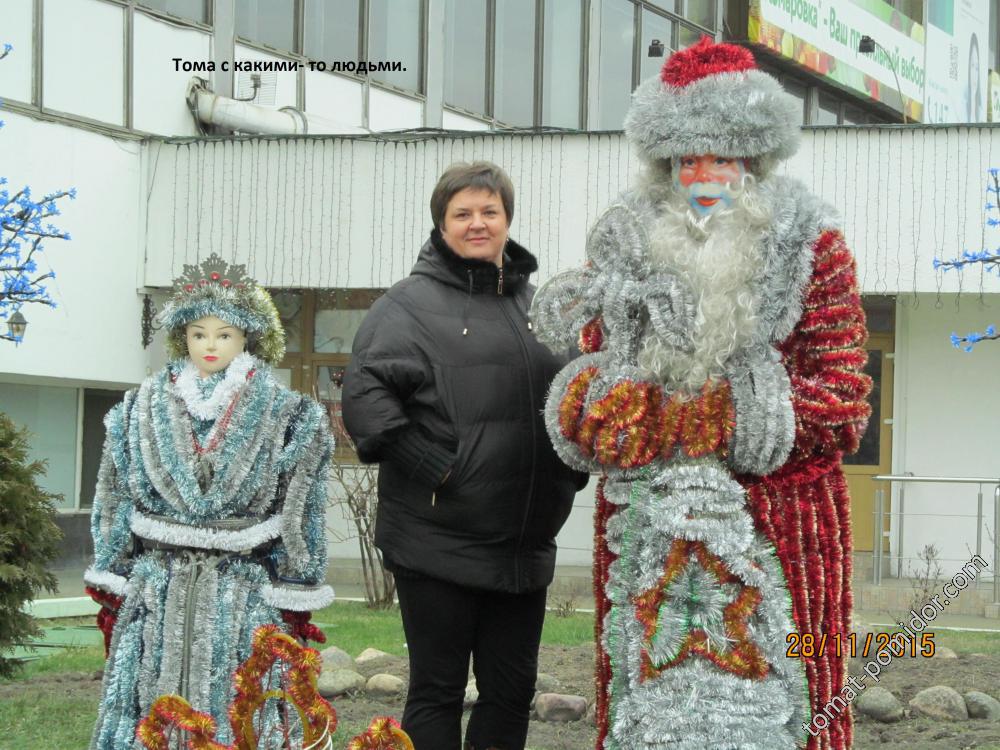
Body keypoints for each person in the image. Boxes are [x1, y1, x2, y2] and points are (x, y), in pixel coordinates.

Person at [531, 38, 871, 750]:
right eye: (686, 160)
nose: (703, 175)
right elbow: (600, 369)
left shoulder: (815, 245)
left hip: (777, 524)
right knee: (647, 709)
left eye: (721, 157)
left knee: (787, 708)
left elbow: (841, 396)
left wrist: (713, 415)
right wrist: (597, 410)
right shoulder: (625, 246)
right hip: (648, 525)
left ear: (754, 160)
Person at [341, 161, 587, 750]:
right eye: (463, 214)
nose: (477, 224)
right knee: (438, 691)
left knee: (510, 692)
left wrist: (569, 466)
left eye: (489, 212)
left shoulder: (540, 308)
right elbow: (364, 395)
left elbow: (576, 394)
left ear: (507, 218)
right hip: (437, 539)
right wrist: (438, 466)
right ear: (442, 223)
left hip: (521, 545)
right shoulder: (407, 306)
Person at [84, 254, 333, 749]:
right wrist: (115, 571)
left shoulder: (291, 414)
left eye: (224, 333)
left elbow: (301, 506)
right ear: (183, 338)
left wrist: (294, 584)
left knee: (237, 700)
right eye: (199, 333)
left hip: (241, 594)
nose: (210, 345)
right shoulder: (136, 409)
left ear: (247, 338)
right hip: (157, 590)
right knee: (147, 705)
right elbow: (113, 493)